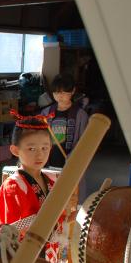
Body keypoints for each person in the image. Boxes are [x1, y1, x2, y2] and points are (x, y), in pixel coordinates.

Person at [0, 111, 67, 263]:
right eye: (31, 149)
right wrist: (47, 215)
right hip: (21, 255)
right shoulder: (13, 186)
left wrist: (68, 210)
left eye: (44, 148)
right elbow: (10, 229)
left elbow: (59, 219)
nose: (39, 155)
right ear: (14, 150)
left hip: (47, 252)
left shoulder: (51, 182)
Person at [40, 73, 89, 202]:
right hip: (51, 159)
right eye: (56, 92)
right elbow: (39, 137)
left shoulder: (80, 115)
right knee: (49, 195)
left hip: (70, 160)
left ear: (72, 91)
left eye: (63, 92)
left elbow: (84, 141)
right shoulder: (46, 113)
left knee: (70, 196)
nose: (59, 96)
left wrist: (73, 156)